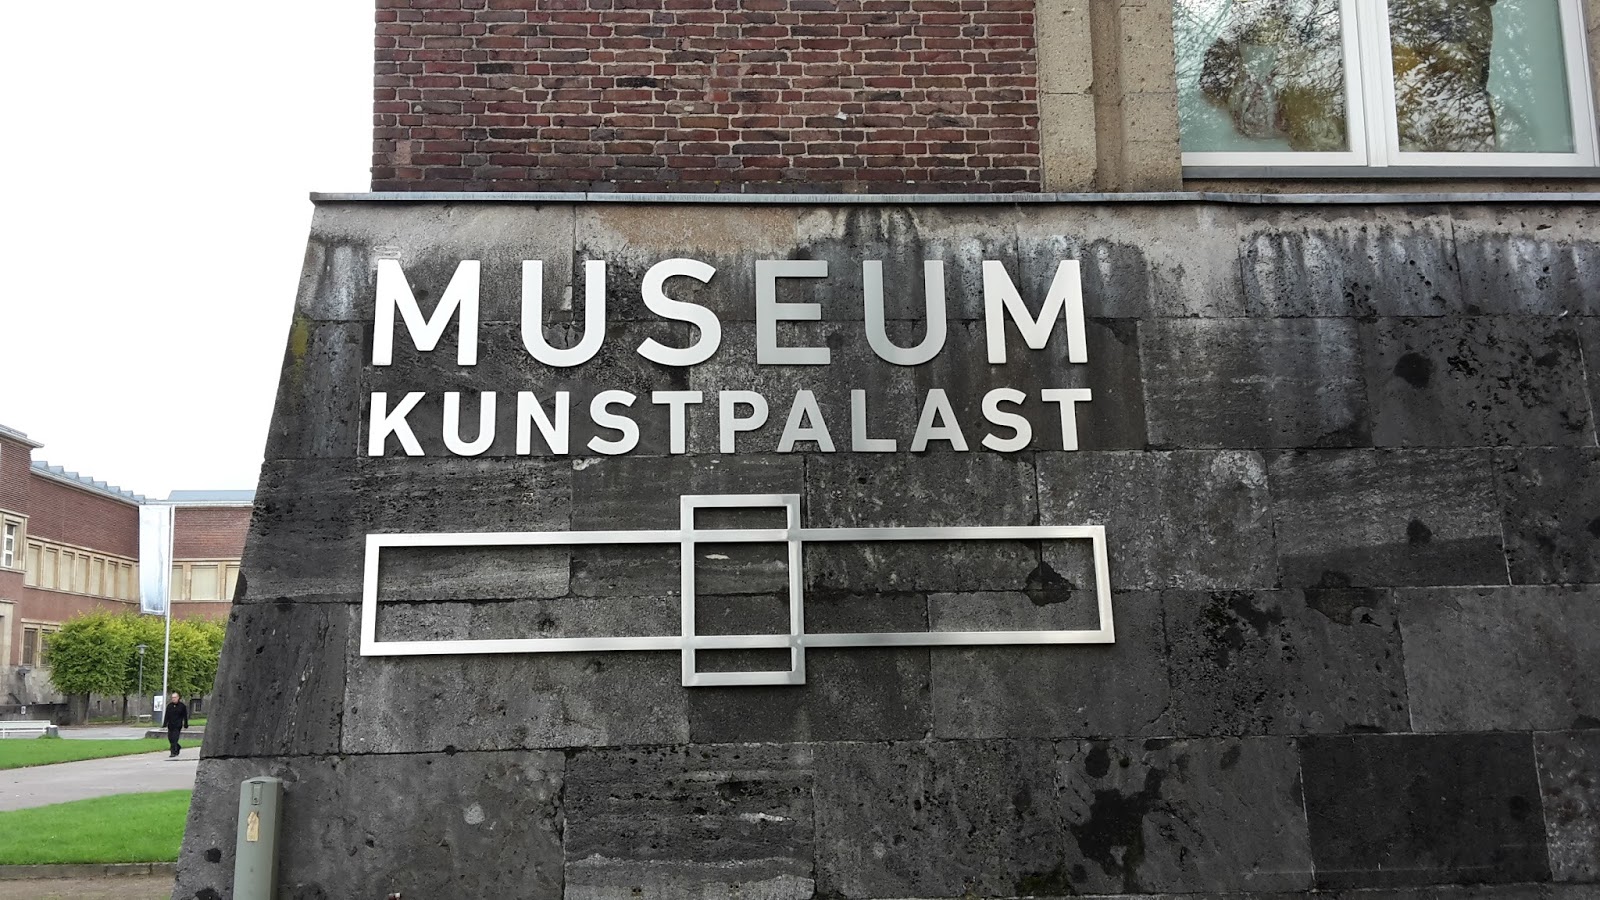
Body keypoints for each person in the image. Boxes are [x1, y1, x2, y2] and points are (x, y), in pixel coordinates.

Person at [165, 692, 189, 759]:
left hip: (177, 725)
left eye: (175, 697)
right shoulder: (169, 706)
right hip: (170, 725)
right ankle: (178, 747)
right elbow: (167, 715)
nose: (173, 699)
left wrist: (185, 724)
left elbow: (185, 716)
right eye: (172, 697)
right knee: (170, 738)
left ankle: (173, 752)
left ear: (178, 698)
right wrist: (165, 723)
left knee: (175, 739)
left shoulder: (182, 706)